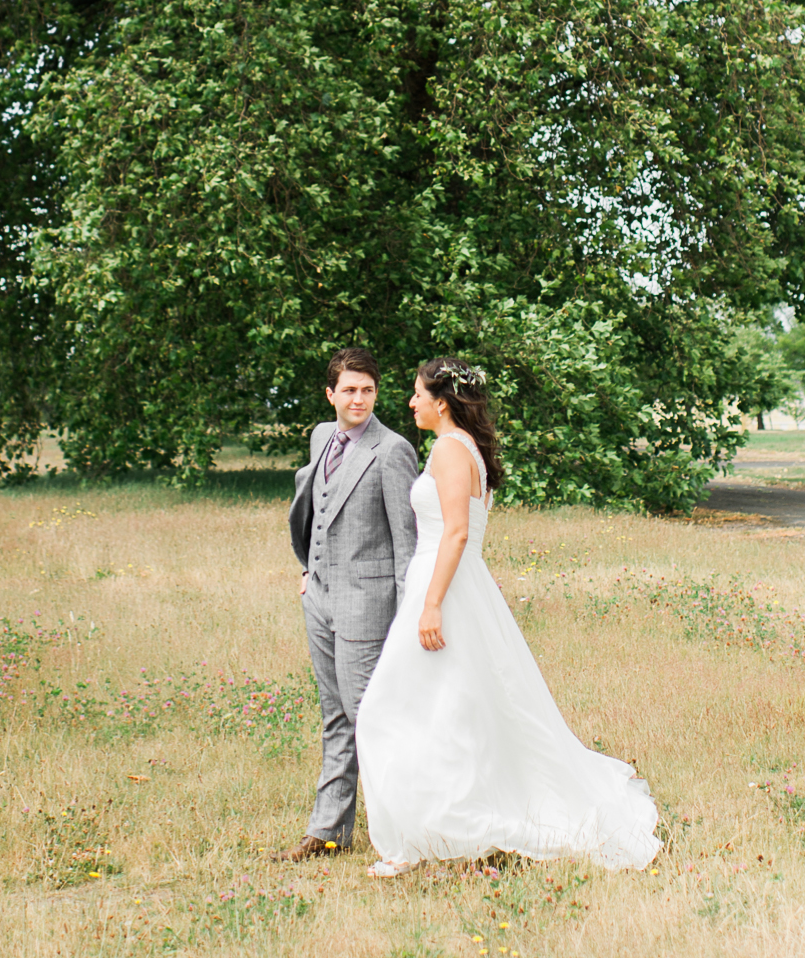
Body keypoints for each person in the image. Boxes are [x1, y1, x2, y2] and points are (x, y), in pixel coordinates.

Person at [354, 359, 663, 876]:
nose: (411, 404)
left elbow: (454, 533)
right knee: (445, 710)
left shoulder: (451, 450)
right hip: (458, 585)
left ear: (442, 402)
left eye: (417, 395)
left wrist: (431, 604)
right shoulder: (464, 448)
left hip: (445, 587)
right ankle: (431, 829)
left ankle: (436, 831)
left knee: (391, 710)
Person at [281, 345, 420, 860]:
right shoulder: (323, 436)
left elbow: (407, 545)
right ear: (331, 394)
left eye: (368, 390)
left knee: (372, 718)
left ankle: (409, 831)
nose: (359, 399)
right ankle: (328, 834)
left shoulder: (393, 450)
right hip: (319, 597)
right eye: (349, 390)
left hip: (368, 601)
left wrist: (409, 618)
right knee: (335, 715)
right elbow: (311, 507)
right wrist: (307, 569)